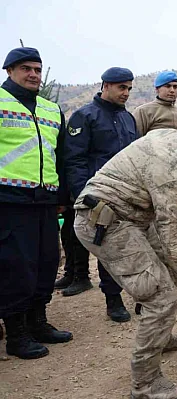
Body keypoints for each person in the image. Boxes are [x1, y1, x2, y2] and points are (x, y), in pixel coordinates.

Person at [73, 120, 177, 399]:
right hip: (106, 222)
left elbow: (170, 244)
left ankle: (160, 337)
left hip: (127, 215)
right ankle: (146, 385)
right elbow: (176, 246)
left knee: (164, 274)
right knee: (161, 297)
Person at [0, 47, 73, 359]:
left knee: (46, 262)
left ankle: (38, 322)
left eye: (37, 69)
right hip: (9, 200)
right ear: (9, 71)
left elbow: (62, 155)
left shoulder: (51, 109)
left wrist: (63, 196)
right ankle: (16, 335)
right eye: (25, 68)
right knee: (17, 267)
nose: (33, 75)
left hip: (45, 200)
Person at [59, 67, 139, 322]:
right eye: (121, 88)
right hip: (99, 197)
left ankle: (140, 296)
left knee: (134, 247)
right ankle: (113, 300)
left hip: (128, 194)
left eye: (128, 88)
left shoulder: (128, 119)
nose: (125, 93)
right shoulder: (85, 116)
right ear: (105, 85)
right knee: (107, 249)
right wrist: (84, 196)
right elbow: (75, 160)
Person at [132, 71, 177, 136]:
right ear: (157, 89)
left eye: (175, 87)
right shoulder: (143, 111)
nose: (172, 90)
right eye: (168, 86)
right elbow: (135, 140)